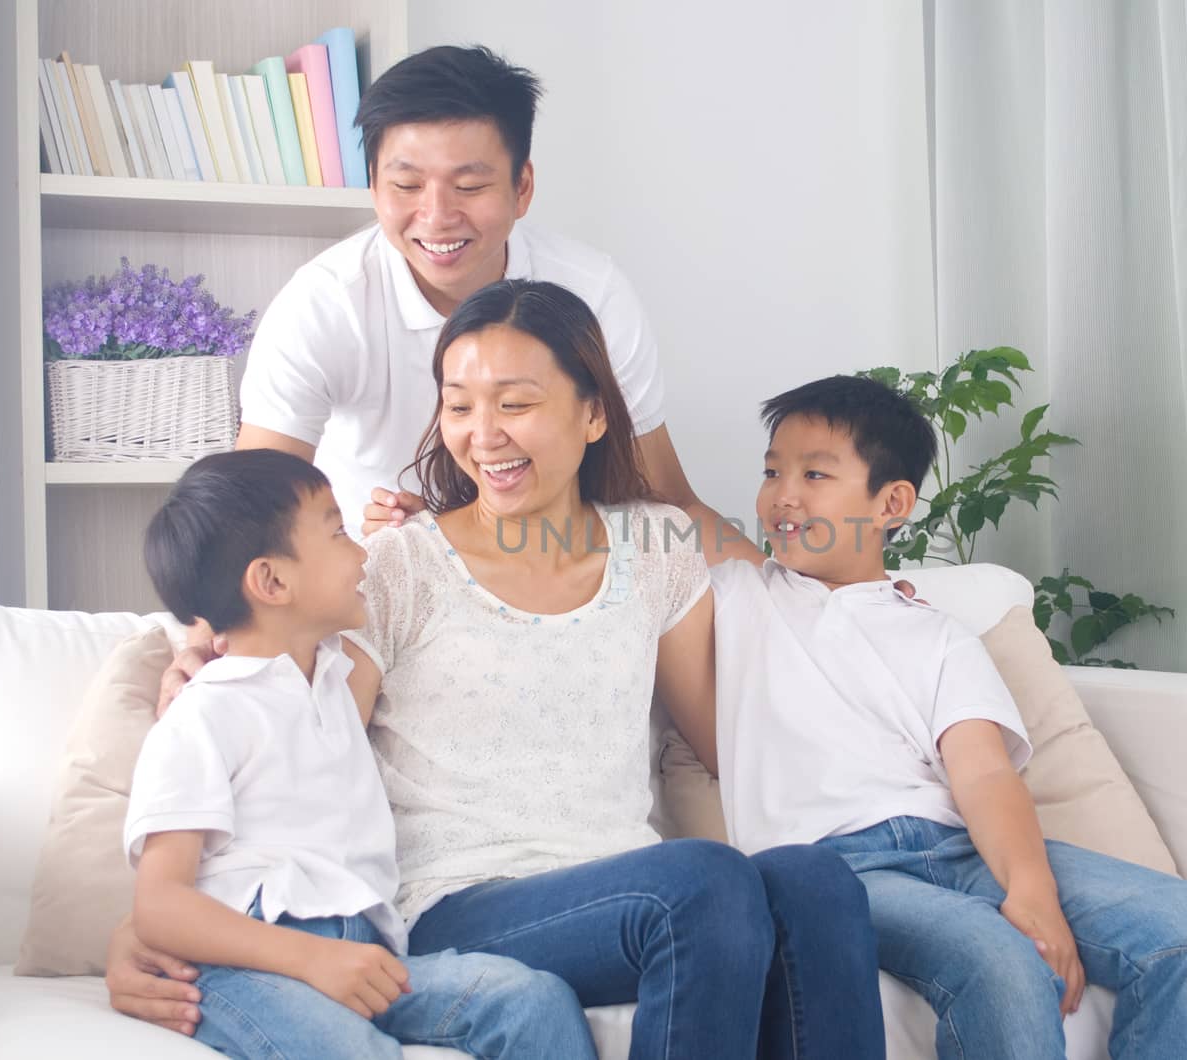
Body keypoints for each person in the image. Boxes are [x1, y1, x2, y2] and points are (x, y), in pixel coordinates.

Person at [113, 281, 886, 1060]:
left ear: (593, 413)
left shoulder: (656, 547)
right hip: (457, 906)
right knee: (705, 884)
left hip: (632, 891)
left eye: (514, 404)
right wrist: (152, 926)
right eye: (459, 406)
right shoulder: (395, 565)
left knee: (817, 885)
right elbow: (291, 764)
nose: (483, 435)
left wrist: (863, 608)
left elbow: (733, 747)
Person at [708, 374, 1187, 1060]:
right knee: (997, 958)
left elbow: (986, 775)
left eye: (814, 474)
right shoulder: (742, 593)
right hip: (833, 872)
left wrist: (1032, 891)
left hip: (956, 848)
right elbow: (656, 497)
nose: (783, 494)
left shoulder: (940, 636)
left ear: (892, 502)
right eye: (771, 472)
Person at [128, 448, 596, 1059]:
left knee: (531, 999)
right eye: (338, 531)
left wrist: (431, 529)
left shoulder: (333, 681)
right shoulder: (206, 713)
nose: (361, 553)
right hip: (251, 962)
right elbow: (160, 905)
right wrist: (312, 958)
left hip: (363, 952)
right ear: (272, 582)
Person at [233, 43, 751, 560]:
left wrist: (797, 605)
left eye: (470, 185)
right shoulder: (325, 304)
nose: (436, 216)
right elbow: (252, 509)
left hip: (550, 570)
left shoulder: (591, 293)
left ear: (522, 187)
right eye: (407, 184)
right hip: (370, 572)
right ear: (372, 186)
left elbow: (666, 502)